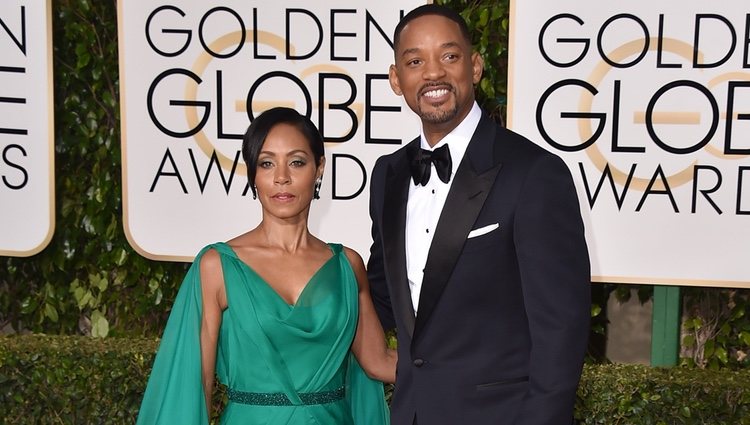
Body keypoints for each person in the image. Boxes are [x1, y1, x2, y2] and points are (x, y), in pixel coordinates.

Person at [367, 5, 591, 425]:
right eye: (415, 61)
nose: (433, 74)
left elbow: (561, 329)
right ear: (396, 79)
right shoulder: (389, 175)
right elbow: (380, 294)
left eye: (449, 57)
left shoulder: (534, 174)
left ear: (475, 66)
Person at [137, 107, 396, 425]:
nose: (282, 177)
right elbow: (197, 383)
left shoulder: (347, 266)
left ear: (319, 169)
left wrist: (463, 358)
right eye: (267, 163)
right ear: (253, 175)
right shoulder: (218, 266)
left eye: (297, 162)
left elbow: (379, 363)